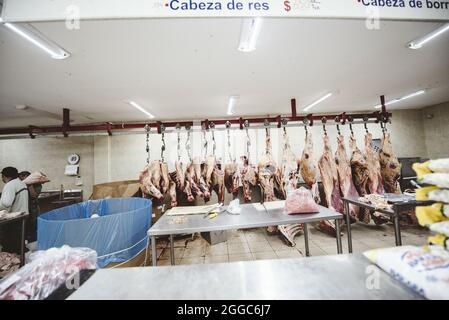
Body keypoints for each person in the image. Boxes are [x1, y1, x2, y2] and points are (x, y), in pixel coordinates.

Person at [0, 167, 29, 254]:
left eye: (2, 176)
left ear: (5, 176)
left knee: (10, 247)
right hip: (23, 216)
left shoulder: (10, 185)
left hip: (13, 219)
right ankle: (21, 263)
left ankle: (13, 265)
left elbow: (6, 203)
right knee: (19, 244)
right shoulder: (21, 183)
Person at [19, 171, 42, 242]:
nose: (21, 180)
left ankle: (33, 242)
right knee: (25, 226)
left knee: (33, 225)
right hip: (23, 208)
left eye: (22, 178)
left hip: (33, 208)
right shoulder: (20, 184)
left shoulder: (37, 185)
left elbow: (33, 195)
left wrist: (29, 185)